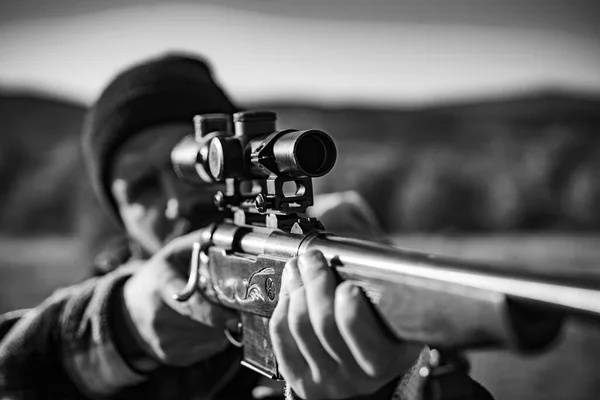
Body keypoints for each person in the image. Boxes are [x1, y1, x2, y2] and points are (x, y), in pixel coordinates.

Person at [0, 53, 492, 400]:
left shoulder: (318, 257)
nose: (177, 202)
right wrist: (125, 326)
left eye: (181, 169)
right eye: (142, 190)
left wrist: (389, 386)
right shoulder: (104, 299)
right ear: (119, 216)